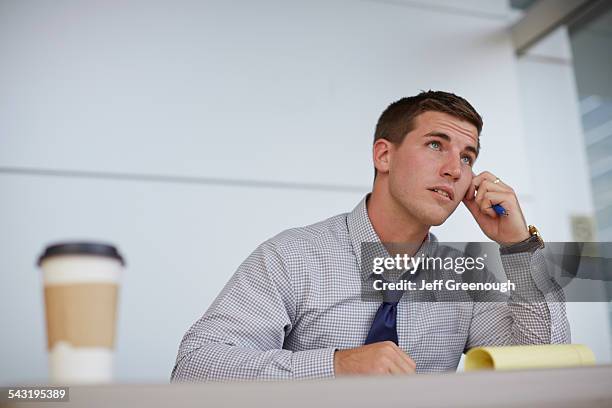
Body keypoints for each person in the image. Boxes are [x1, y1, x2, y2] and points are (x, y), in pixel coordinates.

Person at [171, 91, 570, 382]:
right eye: (436, 145)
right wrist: (336, 365)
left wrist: (519, 247)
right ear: (384, 156)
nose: (454, 169)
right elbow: (195, 366)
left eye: (467, 157)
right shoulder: (291, 256)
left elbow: (543, 364)